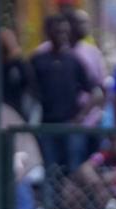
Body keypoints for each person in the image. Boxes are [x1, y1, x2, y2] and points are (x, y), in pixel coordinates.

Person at [30, 15, 100, 172]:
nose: (62, 36)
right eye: (58, 32)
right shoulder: (38, 60)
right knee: (50, 167)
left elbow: (95, 92)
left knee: (74, 167)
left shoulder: (74, 60)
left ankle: (71, 189)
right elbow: (29, 89)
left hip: (70, 125)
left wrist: (81, 116)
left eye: (65, 32)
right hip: (46, 125)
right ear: (48, 33)